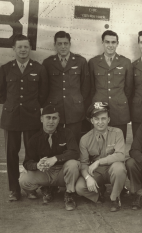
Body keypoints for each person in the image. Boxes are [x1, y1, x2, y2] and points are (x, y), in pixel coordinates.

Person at [0, 34, 48, 201]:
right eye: (19, 47)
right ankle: (14, 190)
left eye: (26, 47)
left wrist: (32, 106)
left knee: (32, 155)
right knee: (11, 155)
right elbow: (2, 94)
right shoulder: (5, 69)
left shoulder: (38, 68)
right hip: (11, 117)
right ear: (13, 49)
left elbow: (43, 94)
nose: (22, 50)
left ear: (30, 49)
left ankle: (30, 188)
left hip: (31, 117)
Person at [19, 105, 80, 211]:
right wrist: (37, 165)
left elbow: (75, 152)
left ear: (59, 120)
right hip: (46, 172)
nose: (51, 121)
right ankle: (47, 188)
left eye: (54, 118)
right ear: (41, 119)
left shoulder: (66, 133)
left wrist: (56, 158)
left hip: (63, 172)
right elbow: (27, 162)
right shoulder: (35, 138)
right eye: (48, 117)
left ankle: (69, 194)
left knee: (73, 164)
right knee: (23, 181)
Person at [75, 102, 127, 212]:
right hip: (96, 172)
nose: (100, 122)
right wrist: (88, 178)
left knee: (119, 168)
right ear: (92, 120)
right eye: (97, 119)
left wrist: (98, 162)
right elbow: (83, 163)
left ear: (108, 120)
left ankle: (115, 198)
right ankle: (99, 194)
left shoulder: (117, 132)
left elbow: (121, 155)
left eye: (103, 119)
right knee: (80, 187)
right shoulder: (85, 139)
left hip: (111, 168)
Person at [42, 31, 90, 143]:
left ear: (70, 44)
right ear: (55, 45)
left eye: (65, 43)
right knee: (55, 142)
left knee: (74, 141)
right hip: (55, 109)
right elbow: (44, 87)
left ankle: (73, 161)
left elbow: (86, 86)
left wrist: (77, 100)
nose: (63, 47)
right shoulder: (48, 63)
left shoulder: (80, 61)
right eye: (59, 44)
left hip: (75, 110)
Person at [88, 30, 133, 140]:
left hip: (119, 110)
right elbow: (91, 87)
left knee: (118, 143)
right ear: (102, 43)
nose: (110, 45)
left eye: (113, 42)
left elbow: (129, 88)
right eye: (107, 42)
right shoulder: (93, 62)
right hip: (99, 110)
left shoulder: (125, 62)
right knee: (98, 144)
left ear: (117, 43)